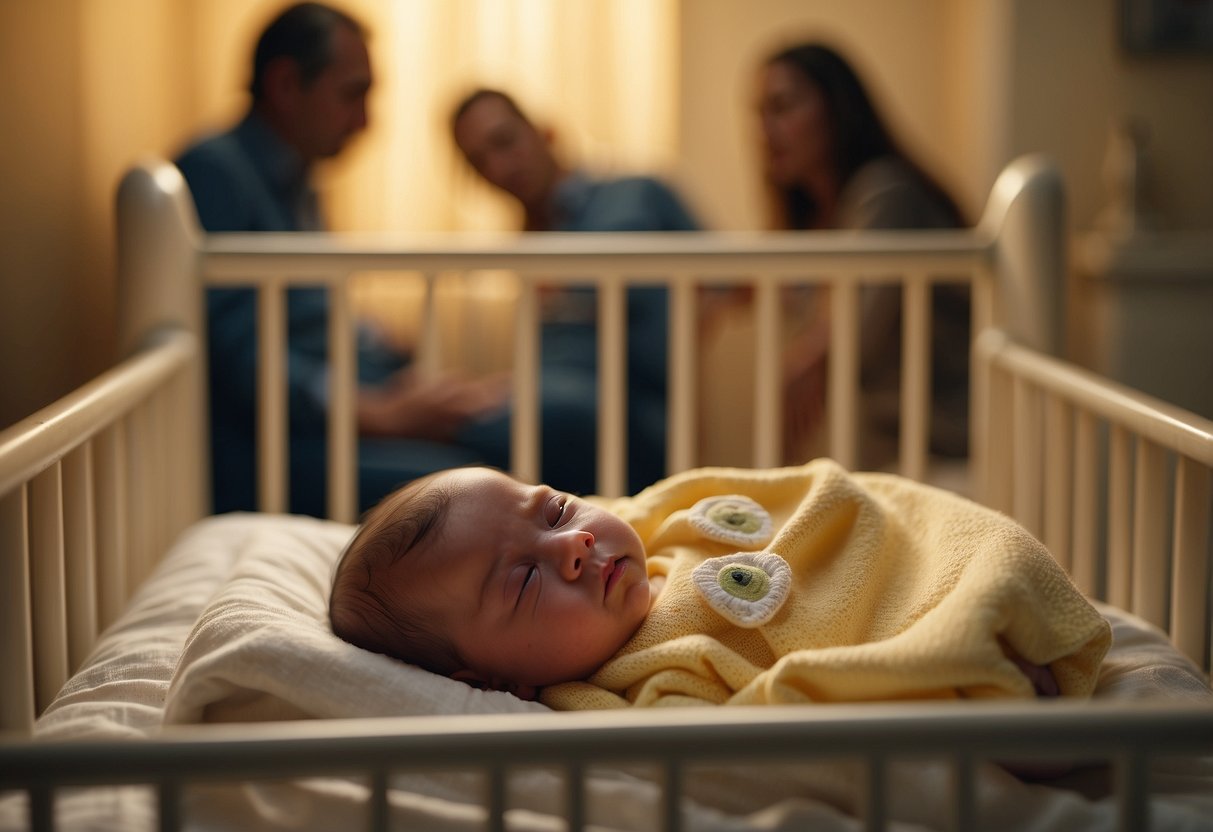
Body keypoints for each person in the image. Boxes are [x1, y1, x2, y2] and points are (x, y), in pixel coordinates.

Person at [329, 461, 1111, 708]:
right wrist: (952, 680)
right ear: (490, 678)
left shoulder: (661, 523)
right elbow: (791, 708)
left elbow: (823, 500)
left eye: (556, 510)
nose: (571, 545)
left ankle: (990, 604)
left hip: (927, 569)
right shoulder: (629, 686)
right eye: (524, 583)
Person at [174, 2, 505, 517]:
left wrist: (393, 360)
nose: (365, 120)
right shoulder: (214, 173)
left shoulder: (295, 181)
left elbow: (312, 315)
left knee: (495, 426)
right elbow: (242, 357)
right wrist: (380, 412)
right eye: (352, 94)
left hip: (318, 423)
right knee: (474, 473)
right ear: (286, 85)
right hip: (269, 449)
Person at [448, 88, 701, 496]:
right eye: (479, 162)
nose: (498, 167)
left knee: (484, 422)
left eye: (504, 142)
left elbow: (735, 278)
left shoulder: (636, 194)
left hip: (631, 411)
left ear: (544, 132)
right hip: (554, 412)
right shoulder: (528, 248)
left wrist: (685, 328)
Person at [755, 42, 972, 465]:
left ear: (835, 108)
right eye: (759, 113)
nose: (765, 129)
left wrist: (802, 359)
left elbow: (853, 331)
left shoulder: (886, 193)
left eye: (782, 106)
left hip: (946, 441)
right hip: (894, 445)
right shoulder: (832, 216)